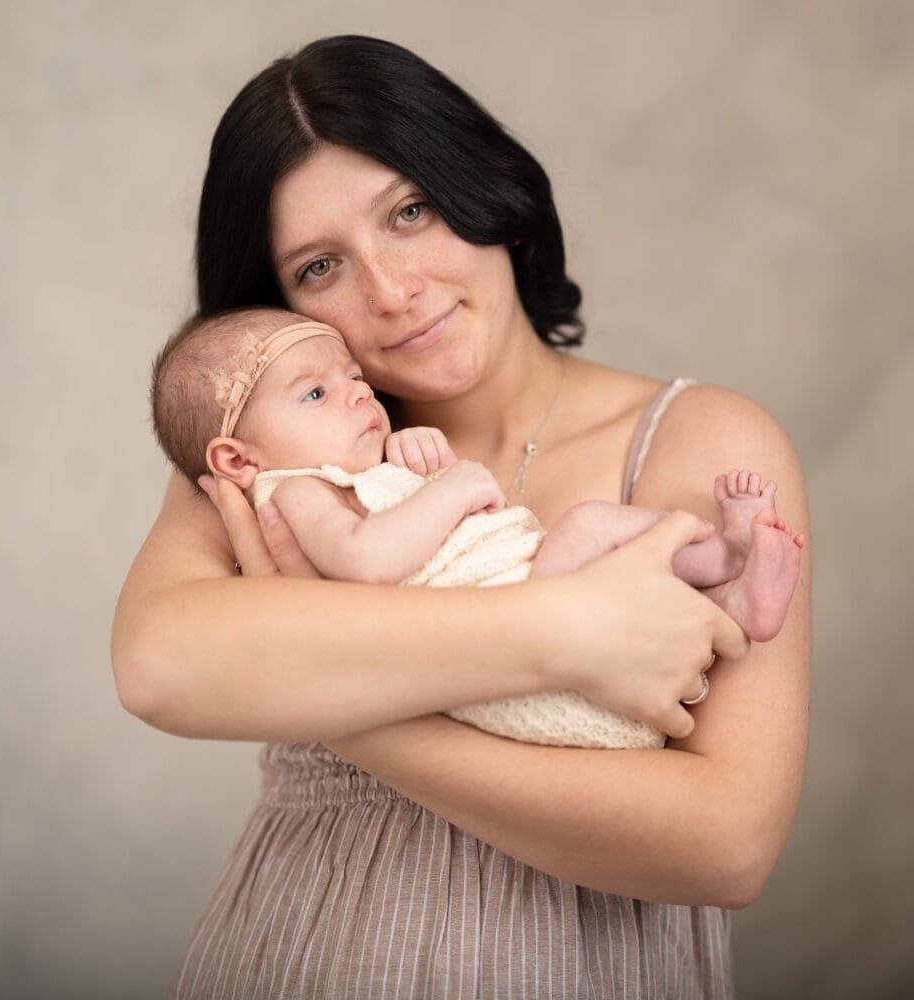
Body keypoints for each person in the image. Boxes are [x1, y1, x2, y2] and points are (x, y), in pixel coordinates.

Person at [112, 34, 811, 999]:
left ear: (487, 194)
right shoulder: (279, 457)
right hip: (310, 954)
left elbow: (725, 843)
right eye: (320, 268)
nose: (393, 293)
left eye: (412, 210)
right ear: (277, 309)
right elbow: (158, 665)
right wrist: (567, 630)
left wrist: (329, 697)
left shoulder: (701, 439)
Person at [149, 307, 805, 748]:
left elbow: (400, 513)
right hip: (499, 625)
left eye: (351, 378)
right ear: (238, 458)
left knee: (591, 524)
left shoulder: (357, 467)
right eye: (315, 394)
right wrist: (456, 485)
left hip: (521, 586)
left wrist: (418, 462)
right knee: (587, 531)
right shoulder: (291, 490)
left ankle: (725, 566)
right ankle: (719, 572)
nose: (357, 394)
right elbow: (369, 561)